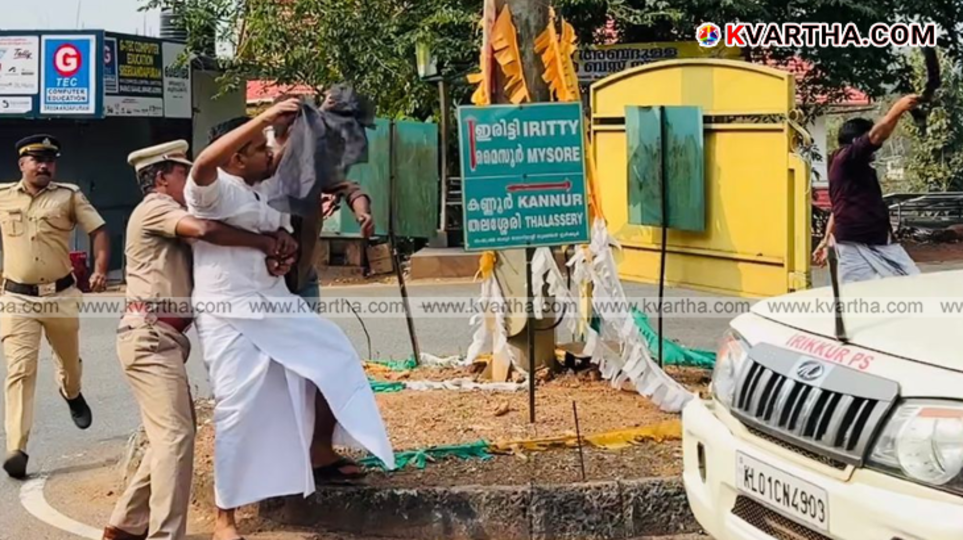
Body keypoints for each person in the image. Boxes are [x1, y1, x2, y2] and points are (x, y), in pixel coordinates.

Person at [185, 100, 394, 540]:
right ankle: (225, 517)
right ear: (236, 158)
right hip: (228, 311)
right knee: (237, 407)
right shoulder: (214, 189)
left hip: (277, 301)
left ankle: (316, 455)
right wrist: (264, 119)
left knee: (332, 359)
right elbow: (202, 164)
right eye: (261, 149)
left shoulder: (270, 183)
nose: (271, 154)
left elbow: (297, 173)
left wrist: (283, 250)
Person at [102, 140, 295, 540]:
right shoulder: (156, 208)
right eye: (182, 172)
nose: (190, 179)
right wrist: (265, 241)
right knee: (175, 436)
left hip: (162, 338)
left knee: (173, 434)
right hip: (149, 337)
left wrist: (276, 237)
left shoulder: (171, 213)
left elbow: (219, 240)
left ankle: (125, 524)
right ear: (160, 179)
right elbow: (206, 230)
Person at [267, 92, 376, 481]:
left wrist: (362, 211)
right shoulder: (262, 161)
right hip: (268, 284)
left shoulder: (314, 161)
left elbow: (349, 187)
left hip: (303, 280)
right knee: (283, 374)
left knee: (321, 366)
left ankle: (316, 452)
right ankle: (285, 456)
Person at [2, 135, 110, 479]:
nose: (44, 165)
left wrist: (100, 269)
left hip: (60, 296)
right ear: (22, 164)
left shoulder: (69, 195)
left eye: (49, 160)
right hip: (17, 299)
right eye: (36, 160)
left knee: (68, 362)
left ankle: (71, 392)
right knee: (20, 370)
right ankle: (16, 448)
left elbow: (99, 230)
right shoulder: (3, 197)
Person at [813, 95, 922, 283]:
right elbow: (877, 135)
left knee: (912, 287)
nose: (875, 148)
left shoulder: (852, 167)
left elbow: (838, 208)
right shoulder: (846, 158)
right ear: (857, 140)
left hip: (878, 240)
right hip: (855, 244)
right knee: (859, 295)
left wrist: (825, 239)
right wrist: (898, 109)